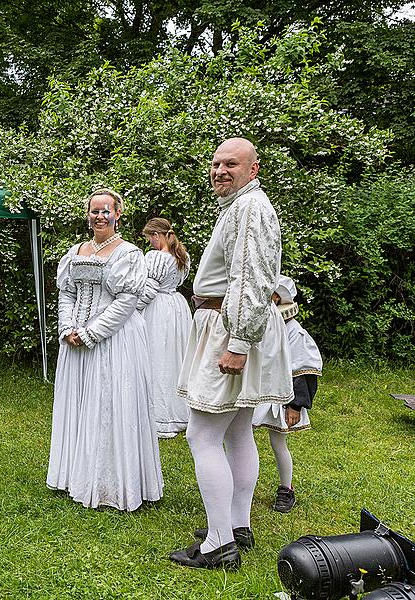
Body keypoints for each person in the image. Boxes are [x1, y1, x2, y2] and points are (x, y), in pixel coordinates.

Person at [170, 138, 292, 570]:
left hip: (232, 328)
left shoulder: (250, 209)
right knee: (239, 431)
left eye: (232, 164)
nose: (220, 170)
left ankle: (219, 544)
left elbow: (251, 279)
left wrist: (238, 345)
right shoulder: (243, 206)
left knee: (201, 435)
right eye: (216, 163)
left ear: (253, 169)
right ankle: (236, 525)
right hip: (236, 324)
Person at [47, 187, 163, 510]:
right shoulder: (75, 252)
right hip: (75, 343)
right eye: (94, 211)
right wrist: (68, 328)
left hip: (114, 342)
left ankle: (110, 483)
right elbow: (66, 293)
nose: (100, 216)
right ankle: (76, 475)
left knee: (109, 407)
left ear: (117, 214)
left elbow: (127, 302)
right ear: (88, 215)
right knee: (79, 406)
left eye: (105, 211)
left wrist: (91, 333)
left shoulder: (128, 254)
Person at [252, 275, 322, 513]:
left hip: (282, 395)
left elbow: (304, 370)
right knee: (241, 437)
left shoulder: (294, 332)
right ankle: (241, 484)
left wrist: (296, 405)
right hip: (257, 389)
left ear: (278, 297)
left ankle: (286, 489)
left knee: (277, 441)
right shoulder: (265, 326)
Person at [137, 218, 192, 438]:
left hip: (158, 308)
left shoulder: (156, 258)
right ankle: (180, 410)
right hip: (177, 306)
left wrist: (133, 309)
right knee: (175, 358)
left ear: (157, 236)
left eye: (149, 237)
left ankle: (159, 415)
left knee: (157, 357)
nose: (149, 242)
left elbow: (149, 290)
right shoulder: (182, 256)